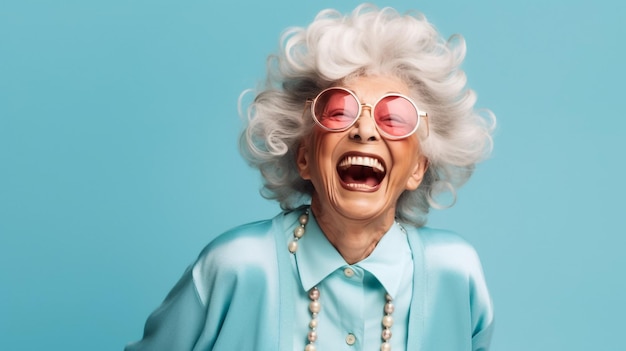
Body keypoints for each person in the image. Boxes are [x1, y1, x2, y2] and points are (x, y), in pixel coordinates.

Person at [125, 4, 495, 351]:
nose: (364, 130)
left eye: (394, 118)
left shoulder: (455, 273)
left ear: (418, 168)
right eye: (339, 112)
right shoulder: (235, 266)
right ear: (303, 157)